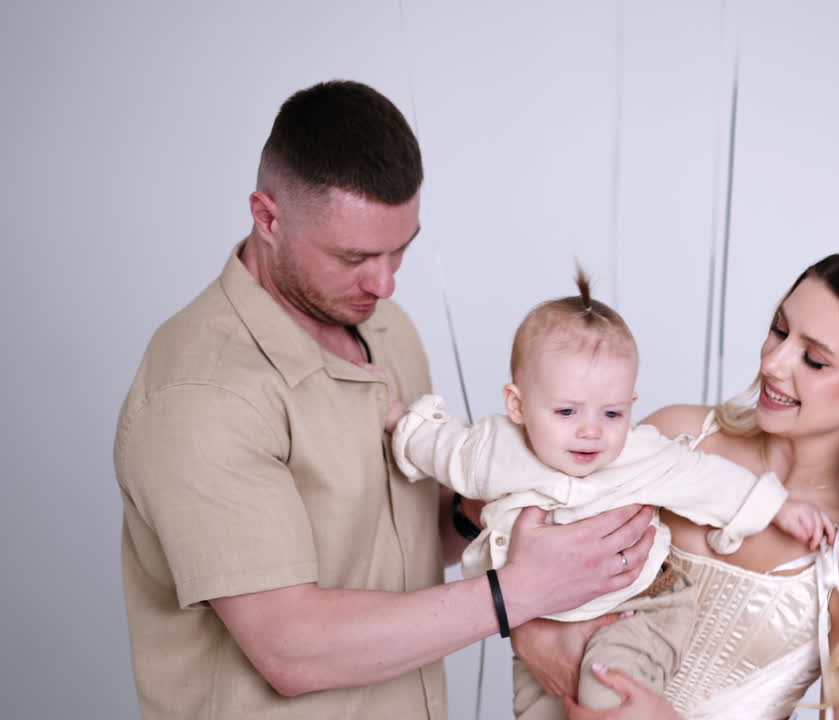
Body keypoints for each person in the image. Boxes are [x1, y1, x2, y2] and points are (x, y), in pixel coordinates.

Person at [113, 79, 655, 720]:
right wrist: (522, 591)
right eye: (354, 256)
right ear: (267, 216)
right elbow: (290, 649)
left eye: (402, 248)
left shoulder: (385, 328)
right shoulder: (202, 394)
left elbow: (403, 535)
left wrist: (491, 506)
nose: (386, 281)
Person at [517, 250, 839, 720]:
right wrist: (529, 630)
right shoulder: (676, 438)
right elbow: (535, 519)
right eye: (778, 330)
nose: (773, 364)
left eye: (813, 359)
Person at [386, 269, 839, 719]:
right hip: (539, 614)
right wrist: (402, 426)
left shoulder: (641, 453)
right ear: (517, 405)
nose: (590, 431)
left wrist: (776, 506)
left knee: (606, 696)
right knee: (537, 711)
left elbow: (708, 480)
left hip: (639, 606)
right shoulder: (494, 448)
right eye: (566, 411)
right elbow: (443, 449)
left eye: (612, 413)